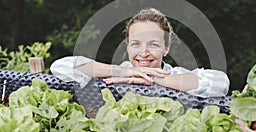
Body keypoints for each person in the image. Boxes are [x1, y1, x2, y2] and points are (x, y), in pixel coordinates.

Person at [50, 8, 229, 98]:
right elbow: (60, 67)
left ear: (166, 48)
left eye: (153, 44)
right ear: (127, 47)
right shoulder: (115, 74)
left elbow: (221, 84)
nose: (143, 52)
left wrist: (157, 79)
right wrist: (122, 72)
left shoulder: (176, 75)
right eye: (136, 44)